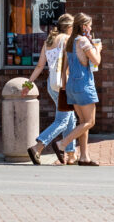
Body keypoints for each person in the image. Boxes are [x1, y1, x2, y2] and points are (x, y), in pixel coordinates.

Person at [21, 13, 78, 165]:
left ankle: (70, 154)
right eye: (74, 27)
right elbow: (69, 65)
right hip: (64, 85)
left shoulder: (49, 41)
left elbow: (40, 66)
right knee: (63, 120)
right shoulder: (67, 40)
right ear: (69, 27)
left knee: (71, 118)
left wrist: (28, 84)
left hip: (52, 85)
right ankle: (38, 147)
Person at [56, 12, 102, 165]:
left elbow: (64, 68)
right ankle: (62, 144)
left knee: (82, 122)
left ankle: (84, 157)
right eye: (89, 25)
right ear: (83, 26)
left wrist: (64, 86)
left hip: (71, 86)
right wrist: (98, 49)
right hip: (84, 85)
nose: (91, 28)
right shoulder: (83, 41)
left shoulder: (70, 41)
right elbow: (96, 61)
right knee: (90, 122)